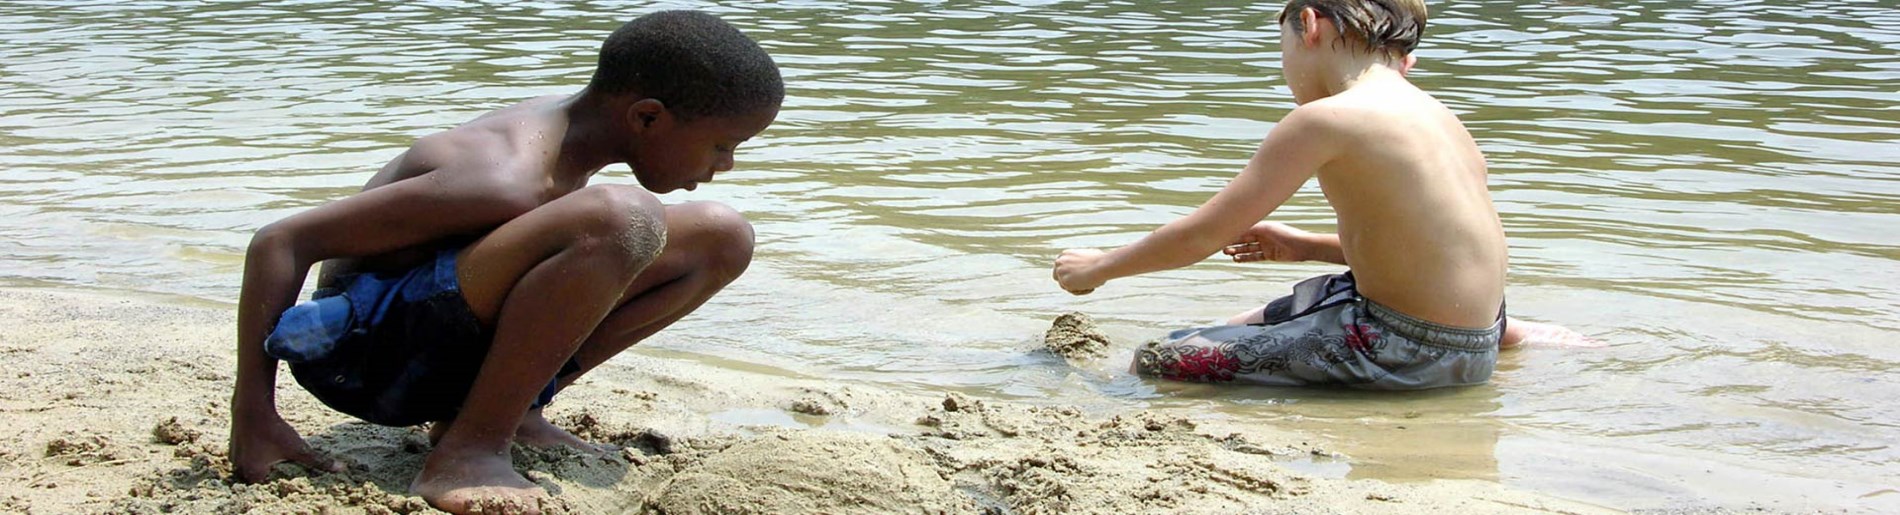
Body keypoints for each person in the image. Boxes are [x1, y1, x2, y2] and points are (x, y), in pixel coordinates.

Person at [225, 10, 782, 514]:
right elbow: (282, 240)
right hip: (364, 365)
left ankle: (507, 415)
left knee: (722, 235)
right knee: (620, 215)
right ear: (647, 118)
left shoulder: (575, 137)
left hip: (438, 342)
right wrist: (254, 416)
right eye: (722, 146)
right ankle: (469, 449)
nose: (726, 164)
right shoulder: (503, 176)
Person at [1052, 0, 1583, 389]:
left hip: (1403, 351)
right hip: (1470, 336)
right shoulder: (1438, 116)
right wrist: (1303, 245)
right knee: (1243, 323)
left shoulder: (1323, 120)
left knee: (1159, 359)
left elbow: (1204, 235)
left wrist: (1099, 267)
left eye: (1281, 46)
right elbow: (1433, 247)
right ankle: (1507, 333)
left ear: (1308, 25)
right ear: (1404, 58)